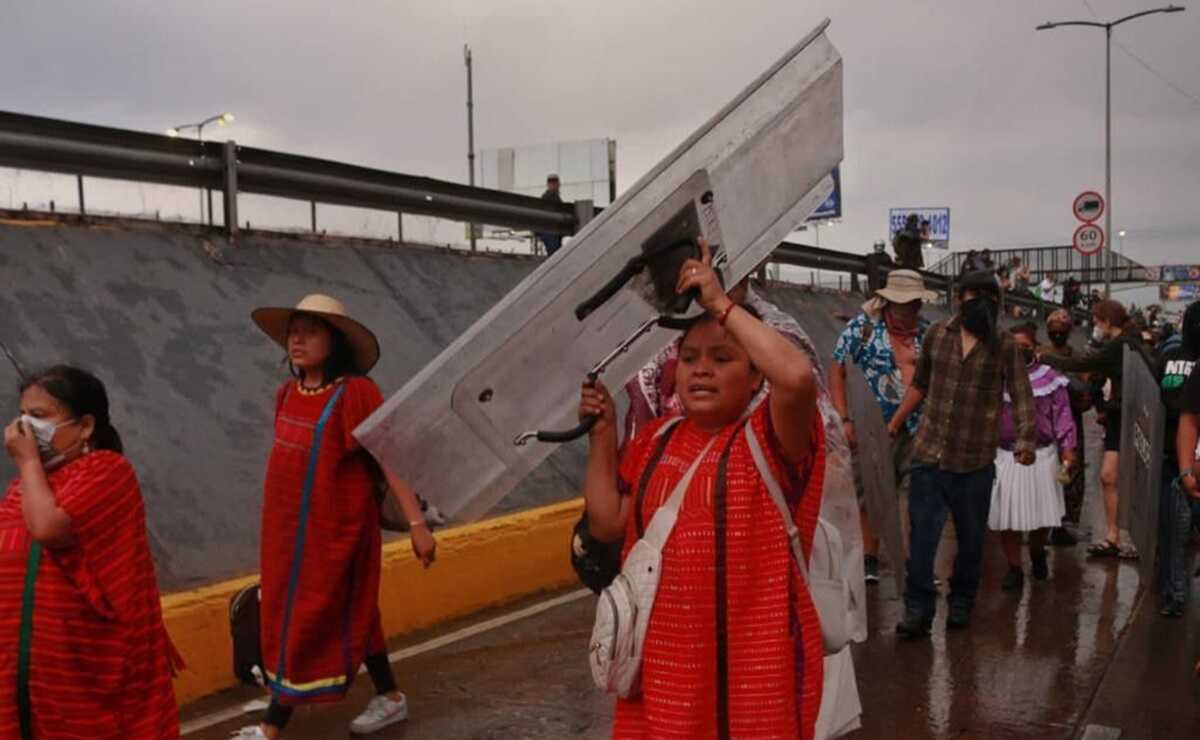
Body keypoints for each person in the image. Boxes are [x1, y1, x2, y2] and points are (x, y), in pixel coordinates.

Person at [586, 239, 826, 738]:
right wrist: (604, 436)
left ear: (754, 374)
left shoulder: (770, 441)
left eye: (722, 358)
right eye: (690, 357)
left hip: (755, 682)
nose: (701, 368)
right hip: (665, 678)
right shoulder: (657, 440)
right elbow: (608, 520)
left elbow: (798, 379)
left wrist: (721, 304)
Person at [234, 295, 437, 739]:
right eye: (293, 330)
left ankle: (270, 726)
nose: (298, 339)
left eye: (312, 330)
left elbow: (389, 458)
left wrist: (417, 526)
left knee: (309, 616)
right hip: (286, 534)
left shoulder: (356, 394)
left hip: (336, 532)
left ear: (336, 341)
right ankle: (391, 696)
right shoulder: (286, 394)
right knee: (353, 612)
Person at [0, 366, 182, 738]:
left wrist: (29, 462)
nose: (25, 428)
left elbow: (48, 528)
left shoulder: (108, 472)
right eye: (22, 415)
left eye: (39, 416)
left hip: (89, 668)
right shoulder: (27, 487)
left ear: (85, 426)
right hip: (33, 671)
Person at [888, 270, 1037, 637]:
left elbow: (1021, 395)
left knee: (971, 543)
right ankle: (918, 611)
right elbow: (920, 384)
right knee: (922, 541)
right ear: (959, 299)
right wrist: (894, 424)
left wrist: (1025, 440)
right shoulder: (938, 335)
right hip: (929, 455)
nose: (982, 305)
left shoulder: (1004, 345)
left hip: (974, 461)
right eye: (975, 297)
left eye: (990, 298)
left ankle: (961, 603)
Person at [830, 269, 936, 583]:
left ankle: (915, 562)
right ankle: (870, 558)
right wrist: (844, 418)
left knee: (918, 495)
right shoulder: (861, 330)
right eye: (902, 306)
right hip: (872, 426)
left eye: (913, 306)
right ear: (888, 303)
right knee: (871, 493)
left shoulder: (928, 334)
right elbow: (837, 370)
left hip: (919, 426)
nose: (908, 312)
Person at [1041, 299, 1149, 559]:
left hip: (1130, 417)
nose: (1095, 326)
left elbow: (1084, 363)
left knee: (1131, 479)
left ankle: (1136, 537)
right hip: (1117, 415)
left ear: (1108, 321)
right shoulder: (1122, 344)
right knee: (1108, 476)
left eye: (1097, 321)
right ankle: (1112, 537)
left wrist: (1044, 358)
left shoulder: (1123, 344)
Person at [988, 323, 1077, 591]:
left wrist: (1068, 450)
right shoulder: (994, 377)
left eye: (1024, 346)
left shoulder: (1051, 378)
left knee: (1041, 516)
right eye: (1013, 347)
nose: (1019, 351)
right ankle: (1014, 567)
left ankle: (1037, 553)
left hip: (1042, 455)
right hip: (1005, 455)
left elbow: (1063, 417)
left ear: (1035, 347)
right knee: (1007, 517)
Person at [1156, 301, 1200, 617]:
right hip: (1185, 459)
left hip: (1176, 457)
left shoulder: (1167, 356)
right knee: (1176, 530)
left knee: (1173, 532)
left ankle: (1174, 593)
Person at [1040, 310, 1090, 544]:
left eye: (1062, 330)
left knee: (1072, 472)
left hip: (1072, 421)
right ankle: (1047, 522)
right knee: (1047, 472)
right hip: (1045, 422)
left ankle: (1067, 522)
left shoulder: (1078, 358)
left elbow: (1087, 392)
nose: (1058, 334)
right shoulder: (1040, 355)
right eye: (1054, 330)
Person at [535, 174, 565, 256]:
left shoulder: (554, 196)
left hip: (552, 231)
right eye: (552, 184)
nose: (554, 186)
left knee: (555, 254)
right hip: (550, 231)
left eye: (555, 183)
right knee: (555, 255)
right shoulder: (549, 197)